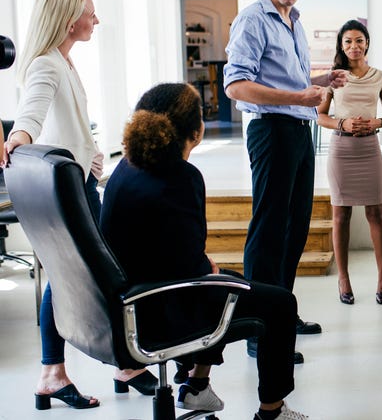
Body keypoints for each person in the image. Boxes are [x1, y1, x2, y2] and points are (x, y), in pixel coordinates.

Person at [100, 83, 308, 420]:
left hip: (126, 304)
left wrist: (206, 267)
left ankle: (197, 386)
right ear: (196, 131)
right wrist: (207, 267)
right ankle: (273, 410)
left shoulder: (125, 168)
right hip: (160, 311)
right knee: (281, 303)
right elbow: (194, 267)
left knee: (232, 282)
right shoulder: (182, 177)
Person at [0, 0, 155, 410]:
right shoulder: (47, 66)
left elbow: (67, 124)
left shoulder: (63, 61)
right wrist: (19, 137)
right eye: (91, 13)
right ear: (70, 19)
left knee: (91, 272)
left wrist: (91, 158)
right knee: (70, 276)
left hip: (81, 184)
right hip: (68, 192)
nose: (96, 20)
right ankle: (56, 372)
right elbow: (32, 111)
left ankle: (118, 363)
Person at [224, 0, 348, 359]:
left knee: (294, 228)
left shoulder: (294, 22)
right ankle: (258, 331)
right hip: (270, 131)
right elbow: (236, 86)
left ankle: (280, 313)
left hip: (298, 130)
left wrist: (323, 79)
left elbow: (291, 81)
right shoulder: (252, 20)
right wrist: (299, 94)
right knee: (269, 230)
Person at [316, 19, 382, 305]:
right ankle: (344, 279)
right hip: (341, 150)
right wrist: (343, 123)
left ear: (367, 44)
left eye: (359, 40)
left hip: (369, 150)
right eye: (348, 41)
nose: (354, 46)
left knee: (376, 213)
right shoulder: (334, 77)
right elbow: (320, 115)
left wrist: (376, 122)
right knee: (341, 216)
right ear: (341, 45)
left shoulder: (380, 76)